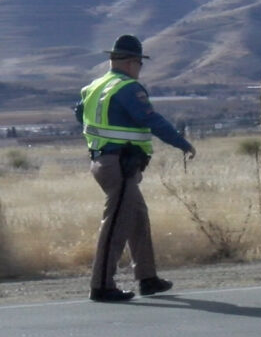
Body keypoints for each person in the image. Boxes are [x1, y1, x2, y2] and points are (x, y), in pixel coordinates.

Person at [75, 35, 197, 302]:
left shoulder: (94, 87)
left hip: (104, 161)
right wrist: (182, 143)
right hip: (120, 164)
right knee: (116, 224)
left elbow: (79, 113)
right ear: (133, 62)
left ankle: (147, 278)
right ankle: (102, 285)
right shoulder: (128, 88)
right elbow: (150, 119)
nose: (139, 69)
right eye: (139, 64)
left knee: (137, 216)